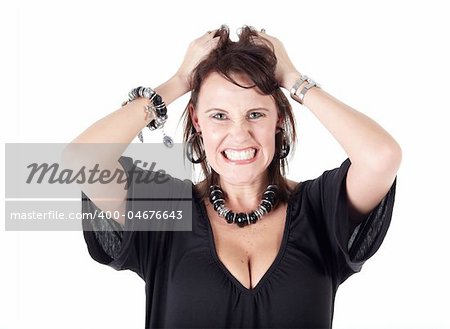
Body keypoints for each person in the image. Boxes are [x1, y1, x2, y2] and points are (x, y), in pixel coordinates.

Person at [66, 25, 401, 328]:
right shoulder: (167, 210)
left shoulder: (320, 209)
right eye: (220, 116)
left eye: (255, 114)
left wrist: (294, 79)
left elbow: (381, 157)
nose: (239, 135)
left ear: (279, 119)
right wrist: (178, 82)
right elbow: (82, 159)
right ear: (197, 122)